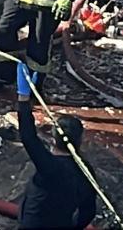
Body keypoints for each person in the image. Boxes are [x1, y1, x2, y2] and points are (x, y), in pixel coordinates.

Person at [15, 61, 97, 230]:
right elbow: (88, 211)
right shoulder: (86, 171)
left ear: (53, 139)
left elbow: (29, 137)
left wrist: (23, 98)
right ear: (80, 140)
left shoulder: (50, 167)